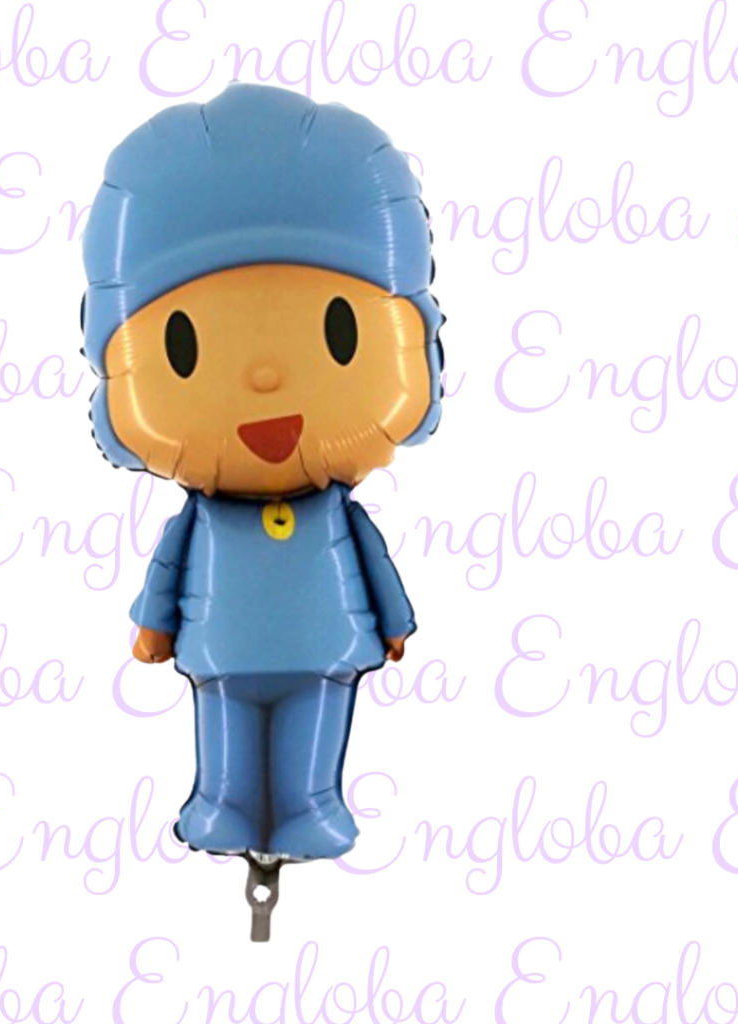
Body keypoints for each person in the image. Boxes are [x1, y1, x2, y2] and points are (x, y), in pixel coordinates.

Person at [80, 82, 443, 863]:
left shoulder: (333, 512)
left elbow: (375, 565)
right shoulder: (203, 519)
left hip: (321, 650)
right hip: (226, 653)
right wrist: (153, 625)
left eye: (340, 333)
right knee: (227, 729)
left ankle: (311, 804)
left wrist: (395, 622)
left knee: (313, 721)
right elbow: (168, 571)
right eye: (182, 347)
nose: (266, 376)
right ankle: (224, 802)